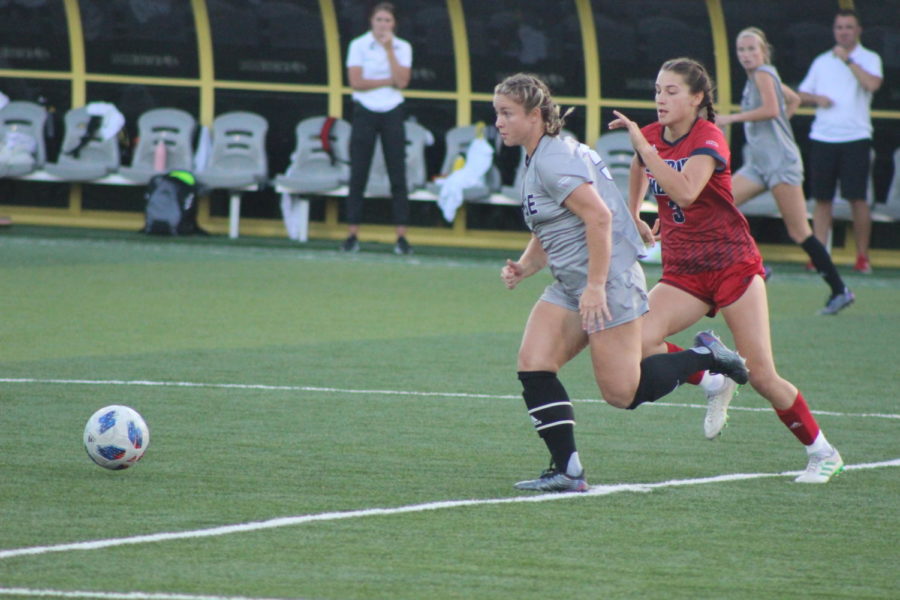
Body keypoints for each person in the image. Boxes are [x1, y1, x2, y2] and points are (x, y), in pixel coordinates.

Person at [495, 73, 749, 493]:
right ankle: (568, 469)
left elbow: (598, 217)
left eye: (507, 113)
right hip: (572, 283)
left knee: (622, 393)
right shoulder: (544, 152)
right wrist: (526, 266)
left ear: (535, 115)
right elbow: (555, 224)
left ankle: (707, 358)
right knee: (534, 363)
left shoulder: (553, 158)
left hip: (607, 280)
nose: (499, 122)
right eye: (497, 113)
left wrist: (595, 286)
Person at [610, 58, 844, 483]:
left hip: (731, 265)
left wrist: (646, 152)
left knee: (761, 375)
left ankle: (823, 452)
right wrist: (633, 213)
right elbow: (639, 167)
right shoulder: (649, 137)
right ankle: (712, 378)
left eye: (671, 91)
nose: (660, 98)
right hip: (684, 271)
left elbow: (684, 191)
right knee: (635, 343)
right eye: (657, 90)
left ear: (697, 99)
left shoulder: (709, 136)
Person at [716, 27, 854, 315]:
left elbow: (771, 110)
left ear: (763, 50)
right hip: (759, 163)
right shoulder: (761, 76)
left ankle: (839, 290)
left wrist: (731, 118)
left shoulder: (764, 73)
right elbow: (792, 101)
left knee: (799, 231)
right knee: (720, 204)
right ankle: (756, 265)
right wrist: (780, 129)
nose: (746, 55)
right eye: (741, 50)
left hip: (780, 163)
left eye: (752, 49)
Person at [797, 9, 883, 274]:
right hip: (823, 137)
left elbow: (872, 85)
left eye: (848, 27)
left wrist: (849, 62)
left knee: (858, 198)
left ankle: (862, 257)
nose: (843, 32)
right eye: (839, 27)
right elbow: (801, 93)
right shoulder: (822, 61)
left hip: (856, 137)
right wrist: (817, 99)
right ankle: (820, 256)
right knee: (823, 200)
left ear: (858, 31)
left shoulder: (869, 58)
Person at [343, 2, 413, 255]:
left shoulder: (402, 47)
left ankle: (401, 237)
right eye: (379, 20)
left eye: (387, 21)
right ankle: (352, 234)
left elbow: (402, 81)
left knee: (398, 173)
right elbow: (356, 82)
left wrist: (389, 51)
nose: (383, 25)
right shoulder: (358, 45)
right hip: (364, 111)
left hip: (393, 110)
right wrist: (387, 81)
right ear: (371, 21)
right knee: (358, 172)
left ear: (394, 24)